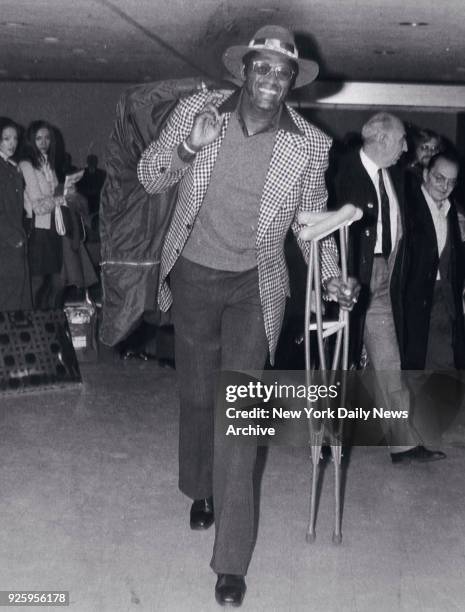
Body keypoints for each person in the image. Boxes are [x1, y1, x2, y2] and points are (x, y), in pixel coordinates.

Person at [138, 25, 358, 607]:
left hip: (255, 287)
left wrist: (329, 271)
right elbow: (149, 174)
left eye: (281, 73)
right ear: (243, 71)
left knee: (240, 415)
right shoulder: (198, 110)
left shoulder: (308, 144)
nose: (270, 80)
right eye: (261, 69)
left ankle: (230, 561)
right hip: (192, 273)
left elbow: (310, 224)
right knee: (196, 394)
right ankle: (199, 488)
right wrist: (187, 148)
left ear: (292, 82)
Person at [334, 112, 447, 463]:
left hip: (383, 281)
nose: (405, 148)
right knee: (339, 360)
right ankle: (325, 437)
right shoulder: (339, 172)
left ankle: (403, 444)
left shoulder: (395, 175)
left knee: (388, 362)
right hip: (347, 281)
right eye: (400, 141)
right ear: (381, 139)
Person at [403, 151, 465, 370]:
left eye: (452, 182)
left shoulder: (453, 211)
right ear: (427, 174)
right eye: (440, 178)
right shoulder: (407, 208)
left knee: (444, 367)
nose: (445, 186)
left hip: (444, 302)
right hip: (414, 301)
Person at [19, 120, 65, 310]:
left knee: (57, 282)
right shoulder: (26, 165)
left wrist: (63, 194)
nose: (44, 142)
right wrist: (60, 198)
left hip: (53, 226)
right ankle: (33, 324)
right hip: (38, 229)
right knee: (38, 283)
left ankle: (50, 324)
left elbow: (53, 195)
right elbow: (38, 206)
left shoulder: (47, 162)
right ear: (31, 140)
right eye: (39, 138)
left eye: (47, 138)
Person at [0, 117, 31, 310]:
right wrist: (13, 238)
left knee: (18, 295)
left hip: (15, 240)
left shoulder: (11, 166)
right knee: (9, 298)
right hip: (6, 243)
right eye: (6, 138)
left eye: (15, 139)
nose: (12, 143)